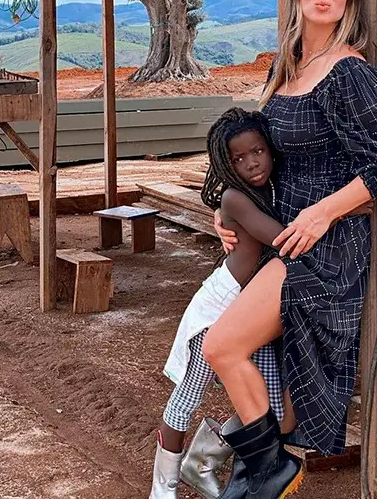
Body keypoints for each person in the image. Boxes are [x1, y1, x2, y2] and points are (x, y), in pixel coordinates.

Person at [202, 0, 377, 499]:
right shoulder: (287, 66)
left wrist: (322, 213)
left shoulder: (350, 73)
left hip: (327, 245)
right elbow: (258, 152)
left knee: (222, 346)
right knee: (261, 370)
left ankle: (268, 468)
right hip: (285, 236)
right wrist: (231, 213)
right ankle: (258, 468)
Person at [150, 108, 287, 499]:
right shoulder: (235, 197)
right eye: (239, 158)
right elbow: (281, 238)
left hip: (254, 310)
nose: (252, 163)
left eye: (258, 151)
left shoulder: (270, 187)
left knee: (270, 404)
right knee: (188, 397)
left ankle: (201, 463)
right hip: (218, 308)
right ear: (227, 165)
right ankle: (162, 487)